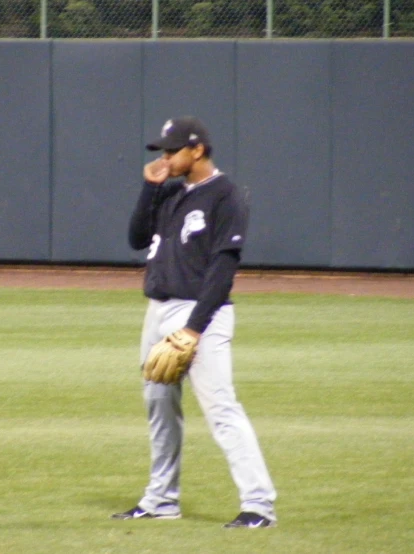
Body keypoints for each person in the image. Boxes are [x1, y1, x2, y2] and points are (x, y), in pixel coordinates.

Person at [111, 116, 277, 528]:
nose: (165, 158)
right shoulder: (168, 193)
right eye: (162, 151)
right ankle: (161, 500)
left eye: (172, 151)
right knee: (160, 408)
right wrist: (150, 187)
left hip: (202, 313)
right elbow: (135, 238)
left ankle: (259, 506)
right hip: (158, 310)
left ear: (197, 150)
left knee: (221, 409)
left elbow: (223, 268)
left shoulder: (227, 196)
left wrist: (194, 328)